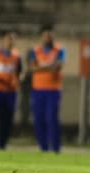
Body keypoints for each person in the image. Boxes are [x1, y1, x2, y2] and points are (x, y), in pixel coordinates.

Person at [28, 24, 65, 153]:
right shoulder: (34, 51)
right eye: (45, 35)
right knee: (39, 119)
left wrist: (41, 67)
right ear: (41, 36)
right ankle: (43, 147)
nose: (48, 38)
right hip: (38, 89)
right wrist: (49, 66)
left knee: (52, 118)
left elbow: (59, 66)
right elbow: (32, 68)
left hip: (53, 90)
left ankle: (55, 148)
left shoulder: (59, 50)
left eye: (50, 35)